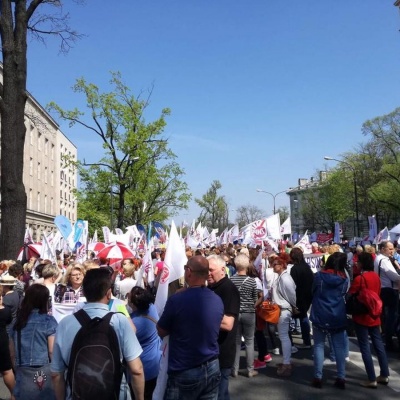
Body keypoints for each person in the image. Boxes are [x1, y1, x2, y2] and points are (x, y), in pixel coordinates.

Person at [51, 268, 145, 400]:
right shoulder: (120, 321)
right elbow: (137, 370)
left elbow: (56, 374)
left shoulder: (65, 324)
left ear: (84, 292)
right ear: (109, 294)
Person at [157, 255, 224, 400]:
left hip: (185, 369)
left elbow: (161, 330)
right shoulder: (217, 299)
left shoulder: (177, 300)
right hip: (212, 366)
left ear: (189, 272)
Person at [349, 251, 389, 388]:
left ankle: (371, 378)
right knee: (378, 345)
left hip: (362, 315)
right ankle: (384, 374)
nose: (356, 263)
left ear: (362, 263)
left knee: (365, 347)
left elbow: (351, 295)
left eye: (358, 261)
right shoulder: (376, 276)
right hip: (374, 314)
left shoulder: (360, 278)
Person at [310, 252, 349, 390]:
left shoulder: (319, 276)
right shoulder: (344, 279)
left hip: (320, 312)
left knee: (319, 345)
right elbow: (344, 294)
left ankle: (318, 377)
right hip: (337, 313)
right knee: (339, 347)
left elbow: (313, 291)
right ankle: (341, 377)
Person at [11, 284, 58, 399]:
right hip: (43, 369)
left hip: (22, 369)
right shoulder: (48, 321)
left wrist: (16, 368)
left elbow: (12, 352)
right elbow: (52, 350)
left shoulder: (18, 322)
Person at [207, 254, 240, 400]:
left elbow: (227, 324)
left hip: (222, 350)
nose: (208, 273)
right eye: (206, 270)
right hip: (210, 351)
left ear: (222, 269)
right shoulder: (210, 287)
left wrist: (200, 319)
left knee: (220, 393)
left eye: (211, 270)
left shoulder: (228, 289)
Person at [129, 287, 161, 400]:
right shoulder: (152, 308)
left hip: (142, 370)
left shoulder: (132, 322)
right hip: (157, 365)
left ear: (132, 304)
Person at [230, 253, 258, 378]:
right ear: (247, 266)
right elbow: (255, 298)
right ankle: (250, 369)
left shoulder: (231, 280)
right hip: (249, 312)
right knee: (249, 341)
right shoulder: (252, 281)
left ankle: (234, 369)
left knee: (236, 342)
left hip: (236, 313)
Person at [271, 256, 297, 377]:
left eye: (275, 264)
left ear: (281, 265)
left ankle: (287, 363)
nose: (272, 266)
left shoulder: (285, 278)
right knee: (283, 336)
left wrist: (294, 306)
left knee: (284, 336)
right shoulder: (282, 277)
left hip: (284, 309)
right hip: (282, 309)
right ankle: (286, 361)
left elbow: (292, 294)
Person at [374, 240, 400, 350]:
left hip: (384, 289)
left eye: (393, 248)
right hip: (389, 290)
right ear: (383, 249)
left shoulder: (379, 258)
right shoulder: (384, 260)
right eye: (390, 249)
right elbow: (394, 277)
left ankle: (387, 336)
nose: (392, 251)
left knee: (388, 315)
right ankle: (389, 340)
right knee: (392, 316)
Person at [289, 247, 314, 349]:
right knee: (303, 317)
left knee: (300, 317)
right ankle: (306, 340)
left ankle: (305, 341)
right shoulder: (307, 267)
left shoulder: (294, 269)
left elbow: (292, 285)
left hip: (299, 296)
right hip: (308, 295)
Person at [0, 284, 15, 400]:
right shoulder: (6, 311)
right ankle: (14, 395)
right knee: (7, 370)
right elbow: (9, 321)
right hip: (2, 340)